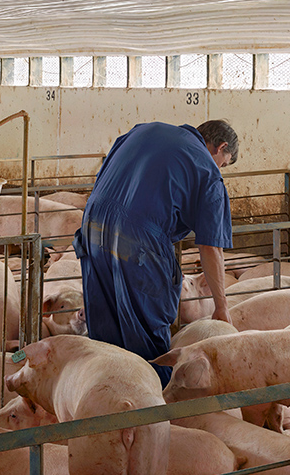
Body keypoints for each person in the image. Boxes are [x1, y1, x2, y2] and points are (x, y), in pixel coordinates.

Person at [72, 120, 238, 387]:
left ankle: (103, 396)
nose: (221, 169)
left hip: (93, 227)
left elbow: (103, 176)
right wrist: (221, 306)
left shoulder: (143, 130)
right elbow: (210, 246)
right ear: (221, 147)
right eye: (224, 162)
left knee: (105, 329)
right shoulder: (207, 169)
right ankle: (151, 407)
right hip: (138, 242)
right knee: (148, 342)